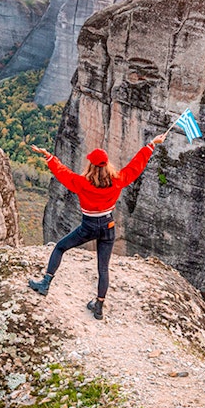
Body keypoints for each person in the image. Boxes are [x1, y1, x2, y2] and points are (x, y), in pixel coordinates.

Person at [27, 134, 166, 320]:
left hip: (89, 226)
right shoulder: (117, 180)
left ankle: (45, 283)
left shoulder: (82, 184)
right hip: (108, 226)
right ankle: (99, 306)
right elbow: (135, 167)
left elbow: (62, 173)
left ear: (91, 165)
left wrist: (49, 157)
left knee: (60, 247)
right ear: (106, 164)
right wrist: (151, 145)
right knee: (103, 268)